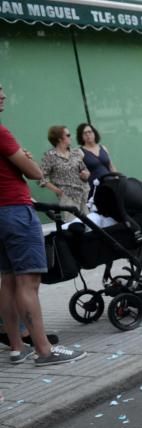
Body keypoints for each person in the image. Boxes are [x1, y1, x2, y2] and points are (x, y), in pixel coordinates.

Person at [0, 83, 85, 366]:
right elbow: (35, 172)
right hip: (14, 210)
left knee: (8, 281)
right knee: (28, 282)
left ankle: (16, 347)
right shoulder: (1, 132)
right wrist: (25, 158)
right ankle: (44, 350)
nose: (3, 95)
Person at [39, 126, 90, 216]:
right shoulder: (50, 156)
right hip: (68, 198)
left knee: (90, 226)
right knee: (74, 226)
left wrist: (85, 175)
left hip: (84, 195)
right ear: (59, 139)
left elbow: (85, 170)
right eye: (68, 135)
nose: (71, 137)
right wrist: (59, 191)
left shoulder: (76, 152)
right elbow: (41, 178)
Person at [77, 123, 114, 199]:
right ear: (81, 136)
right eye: (85, 133)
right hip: (95, 188)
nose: (88, 135)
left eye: (90, 132)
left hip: (110, 184)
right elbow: (77, 172)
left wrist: (117, 178)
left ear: (94, 133)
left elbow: (111, 166)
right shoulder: (79, 152)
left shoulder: (103, 148)